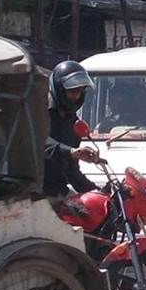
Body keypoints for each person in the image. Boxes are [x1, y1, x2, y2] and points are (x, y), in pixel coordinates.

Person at [43, 60, 101, 197]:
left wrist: (95, 191)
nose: (76, 96)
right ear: (59, 88)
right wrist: (71, 151)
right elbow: (41, 143)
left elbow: (71, 169)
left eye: (80, 91)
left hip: (58, 191)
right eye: (72, 91)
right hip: (36, 192)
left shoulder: (72, 121)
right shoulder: (40, 112)